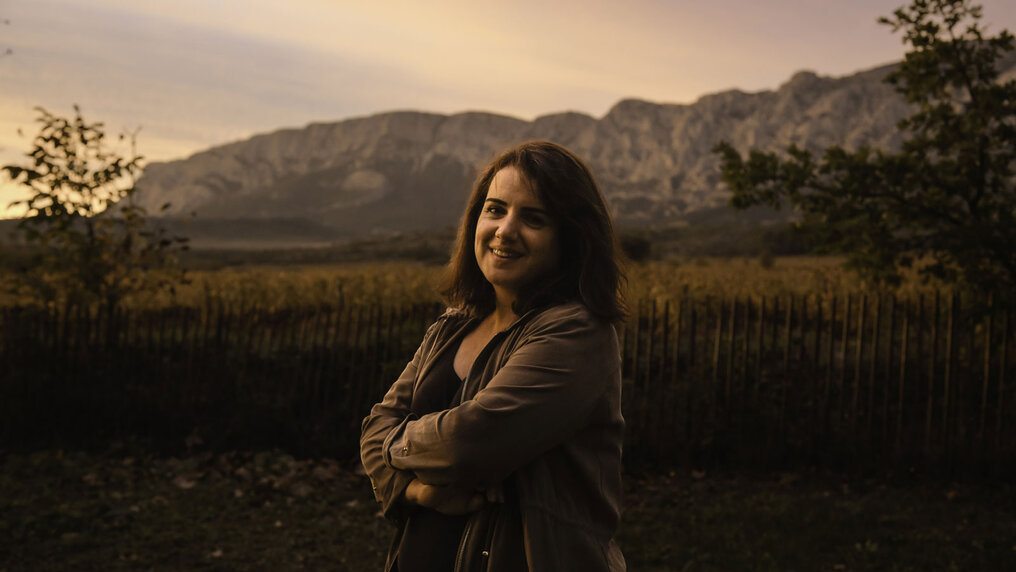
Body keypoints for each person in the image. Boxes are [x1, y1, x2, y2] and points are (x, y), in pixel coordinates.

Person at [360, 140, 627, 571]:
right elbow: (374, 426)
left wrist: (396, 443)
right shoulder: (453, 326)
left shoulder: (578, 333)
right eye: (495, 209)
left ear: (571, 239)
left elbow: (466, 440)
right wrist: (419, 492)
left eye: (534, 218)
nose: (505, 230)